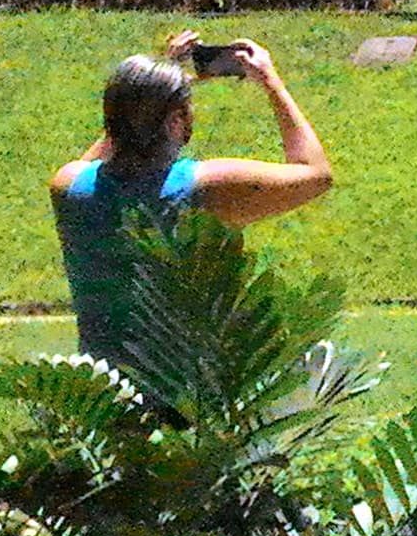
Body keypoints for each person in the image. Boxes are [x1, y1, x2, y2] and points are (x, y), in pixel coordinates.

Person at [52, 33, 335, 368]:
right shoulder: (207, 189)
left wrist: (148, 89)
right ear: (175, 122)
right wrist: (270, 81)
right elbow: (316, 173)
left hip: (108, 390)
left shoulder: (68, 187)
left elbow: (106, 151)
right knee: (318, 361)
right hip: (195, 396)